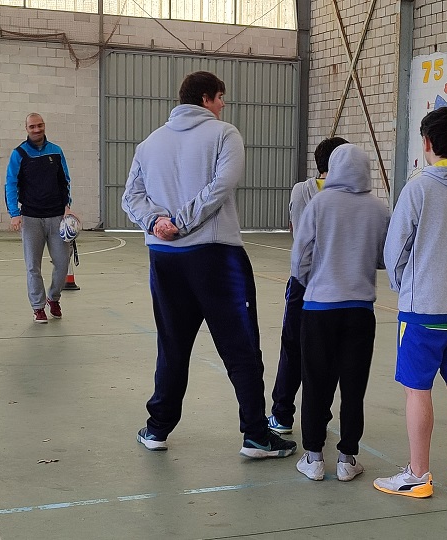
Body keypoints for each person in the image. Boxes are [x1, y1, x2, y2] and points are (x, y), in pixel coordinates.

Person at [122, 71, 296, 458]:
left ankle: (156, 428)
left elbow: (131, 195)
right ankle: (255, 434)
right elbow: (222, 185)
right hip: (215, 257)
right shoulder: (224, 134)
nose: (222, 106)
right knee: (241, 349)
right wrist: (182, 222)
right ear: (206, 98)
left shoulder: (150, 143)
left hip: (165, 259)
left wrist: (156, 222)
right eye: (220, 98)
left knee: (172, 345)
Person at [372, 106, 447, 498]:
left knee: (416, 390)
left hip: (424, 308)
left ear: (426, 142)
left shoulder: (419, 187)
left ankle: (418, 475)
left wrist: (404, 283)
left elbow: (396, 247)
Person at [290, 144, 389, 482]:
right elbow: (383, 258)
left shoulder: (319, 204)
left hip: (319, 308)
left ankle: (314, 457)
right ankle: (348, 458)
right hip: (360, 310)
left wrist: (315, 280)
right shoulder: (379, 210)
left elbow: (300, 257)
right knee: (354, 385)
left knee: (316, 383)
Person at [268, 136, 349, 435]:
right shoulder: (349, 195)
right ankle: (319, 417)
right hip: (337, 285)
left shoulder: (302, 191)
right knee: (328, 354)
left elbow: (297, 233)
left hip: (304, 281)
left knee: (292, 347)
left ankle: (282, 415)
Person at [5, 112, 76, 324]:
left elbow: (65, 180)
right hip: (31, 218)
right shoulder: (19, 153)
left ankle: (53, 297)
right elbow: (10, 184)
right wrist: (14, 214)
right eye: (32, 127)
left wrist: (67, 206)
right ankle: (38, 307)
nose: (37, 130)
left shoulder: (56, 151)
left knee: (63, 263)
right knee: (32, 266)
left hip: (57, 217)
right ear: (26, 129)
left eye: (40, 125)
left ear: (44, 126)